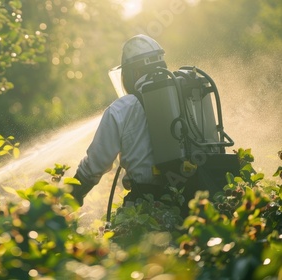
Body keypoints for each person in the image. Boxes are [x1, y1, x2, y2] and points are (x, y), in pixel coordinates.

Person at [70, 34, 238, 216]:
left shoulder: (122, 108)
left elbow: (95, 164)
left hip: (146, 207)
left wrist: (71, 195)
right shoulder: (188, 93)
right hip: (197, 201)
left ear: (133, 73)